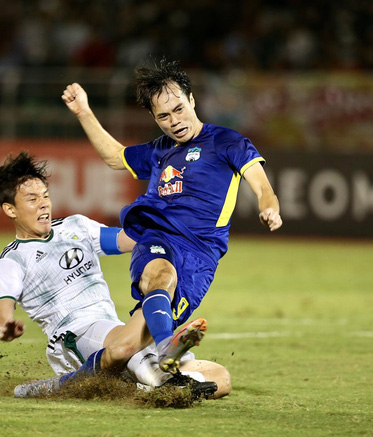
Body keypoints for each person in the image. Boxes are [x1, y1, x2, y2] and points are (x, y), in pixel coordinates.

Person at [61, 57, 282, 374]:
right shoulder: (159, 150)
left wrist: (268, 206)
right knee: (161, 276)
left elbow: (261, 185)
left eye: (179, 109)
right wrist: (83, 111)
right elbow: (114, 157)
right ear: (154, 117)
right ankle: (169, 346)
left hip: (200, 256)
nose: (174, 120)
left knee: (122, 349)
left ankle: (60, 386)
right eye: (163, 116)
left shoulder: (227, 142)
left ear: (192, 100)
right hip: (156, 238)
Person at [0, 151, 231, 399]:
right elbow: (1, 311)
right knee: (128, 347)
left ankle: (147, 383)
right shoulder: (13, 259)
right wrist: (4, 326)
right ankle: (164, 380)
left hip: (112, 330)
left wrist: (180, 223)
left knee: (220, 378)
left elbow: (130, 240)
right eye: (32, 199)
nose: (43, 203)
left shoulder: (76, 227)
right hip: (74, 336)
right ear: (10, 209)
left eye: (46, 196)